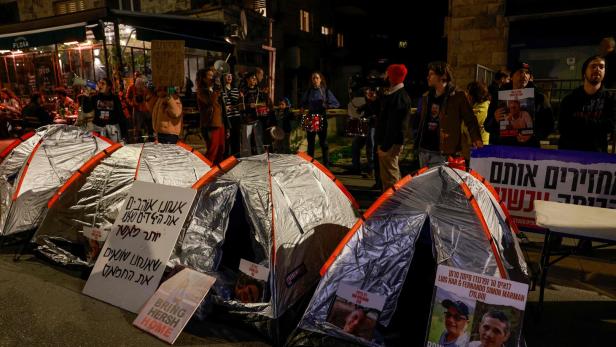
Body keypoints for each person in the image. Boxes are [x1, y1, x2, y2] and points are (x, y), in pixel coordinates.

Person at [415, 61, 483, 169]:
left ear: (443, 76)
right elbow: (421, 120)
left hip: (443, 152)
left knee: (440, 184)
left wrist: (476, 139)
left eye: (431, 74)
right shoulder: (426, 96)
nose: (428, 77)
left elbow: (470, 119)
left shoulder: (458, 96)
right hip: (424, 150)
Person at [484, 61, 553, 147]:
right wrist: (494, 119)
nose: (524, 75)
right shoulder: (499, 97)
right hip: (504, 149)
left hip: (529, 148)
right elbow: (487, 126)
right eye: (520, 71)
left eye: (527, 73)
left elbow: (549, 125)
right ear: (512, 76)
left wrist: (533, 135)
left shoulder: (540, 98)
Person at [559, 55, 616, 152]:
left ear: (605, 72)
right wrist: (597, 126)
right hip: (570, 154)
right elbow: (563, 126)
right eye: (593, 66)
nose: (597, 69)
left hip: (596, 156)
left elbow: (611, 126)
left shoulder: (610, 99)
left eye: (601, 67)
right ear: (584, 73)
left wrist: (578, 123)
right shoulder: (570, 99)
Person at [299, 71, 340, 167]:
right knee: (311, 143)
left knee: (323, 142)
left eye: (317, 78)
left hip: (321, 117)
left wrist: (328, 105)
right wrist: (302, 106)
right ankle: (310, 164)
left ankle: (326, 164)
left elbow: (336, 103)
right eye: (313, 78)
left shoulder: (325, 91)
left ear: (320, 79)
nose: (315, 80)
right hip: (310, 117)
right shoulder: (309, 91)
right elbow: (302, 102)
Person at [197, 68, 227, 163]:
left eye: (212, 75)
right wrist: (216, 90)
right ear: (204, 79)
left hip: (219, 122)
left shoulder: (214, 90)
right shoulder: (201, 91)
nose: (212, 78)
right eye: (209, 75)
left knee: (221, 149)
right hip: (210, 124)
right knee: (212, 151)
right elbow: (210, 102)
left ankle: (217, 171)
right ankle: (207, 171)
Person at [349, 87, 379, 178]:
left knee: (370, 148)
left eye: (368, 93)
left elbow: (378, 113)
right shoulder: (367, 102)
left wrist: (372, 116)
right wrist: (360, 110)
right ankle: (356, 168)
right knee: (355, 144)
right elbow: (362, 109)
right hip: (365, 127)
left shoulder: (377, 102)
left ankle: (372, 170)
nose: (367, 95)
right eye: (365, 93)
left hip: (373, 127)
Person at [81, 78, 124, 142]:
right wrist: (86, 97)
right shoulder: (95, 97)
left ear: (109, 87)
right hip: (98, 128)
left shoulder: (114, 98)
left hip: (112, 129)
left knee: (115, 148)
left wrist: (123, 132)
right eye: (99, 83)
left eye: (103, 84)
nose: (100, 85)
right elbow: (86, 110)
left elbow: (120, 115)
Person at [462, 81, 491, 161]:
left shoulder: (483, 108)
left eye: (468, 92)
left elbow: (467, 125)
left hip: (480, 147)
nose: (467, 95)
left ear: (474, 95)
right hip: (472, 147)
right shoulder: (475, 106)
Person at [240, 71, 267, 156]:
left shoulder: (259, 90)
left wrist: (257, 105)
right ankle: (246, 157)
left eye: (255, 78)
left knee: (259, 138)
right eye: (252, 78)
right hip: (246, 118)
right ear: (247, 80)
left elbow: (264, 103)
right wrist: (248, 105)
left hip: (257, 118)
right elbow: (239, 106)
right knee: (246, 139)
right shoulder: (243, 91)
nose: (254, 80)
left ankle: (261, 155)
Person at [221, 72, 242, 156]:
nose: (229, 77)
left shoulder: (235, 90)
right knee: (227, 139)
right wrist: (224, 107)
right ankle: (226, 159)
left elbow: (238, 103)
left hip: (236, 117)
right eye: (227, 75)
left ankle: (236, 158)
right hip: (227, 118)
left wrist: (240, 100)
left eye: (231, 75)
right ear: (223, 77)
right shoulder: (221, 90)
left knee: (236, 140)